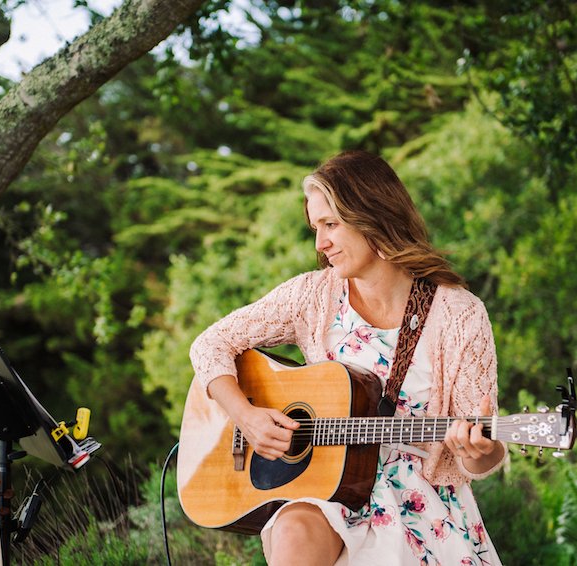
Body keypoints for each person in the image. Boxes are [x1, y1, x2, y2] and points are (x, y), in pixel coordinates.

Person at [189, 150, 506, 565]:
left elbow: (484, 449)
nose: (321, 244)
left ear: (372, 214)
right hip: (329, 492)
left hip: (421, 501)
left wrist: (479, 452)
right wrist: (245, 416)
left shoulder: (459, 314)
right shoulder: (311, 296)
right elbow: (209, 344)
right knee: (292, 529)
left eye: (330, 224)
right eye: (315, 228)